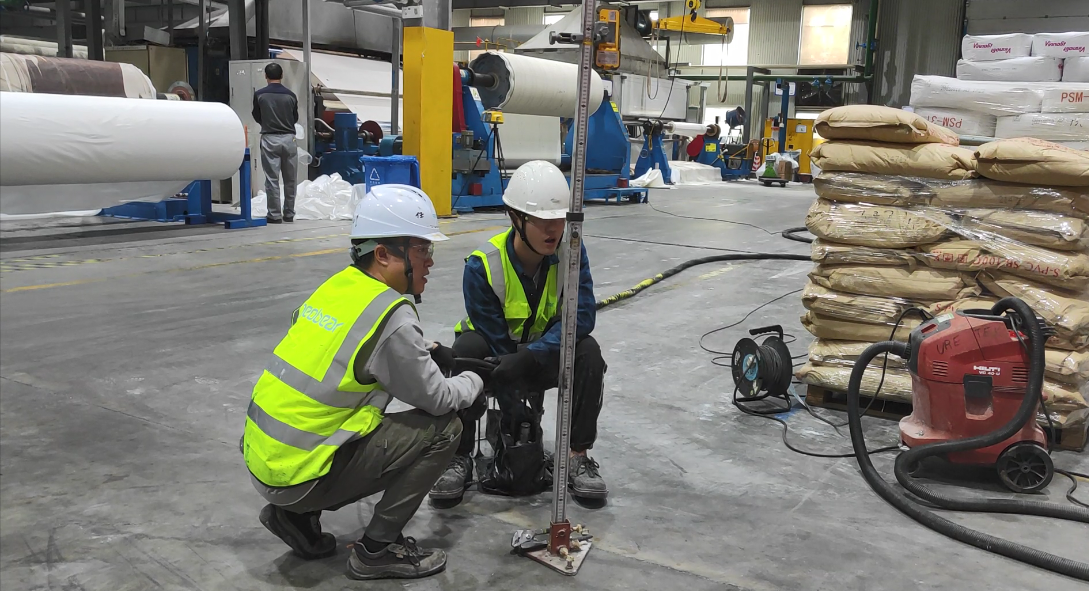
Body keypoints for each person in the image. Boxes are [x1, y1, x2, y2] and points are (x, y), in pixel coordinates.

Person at [242, 184, 484, 580]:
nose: (430, 262)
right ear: (384, 254)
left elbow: (343, 346)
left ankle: (295, 519)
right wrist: (473, 381)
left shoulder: (336, 288)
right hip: (301, 475)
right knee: (444, 429)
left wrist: (425, 345)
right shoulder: (393, 315)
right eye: (422, 250)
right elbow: (438, 398)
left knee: (338, 417)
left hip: (266, 460)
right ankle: (377, 550)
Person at [429, 160, 608, 503]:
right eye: (542, 221)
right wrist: (516, 413)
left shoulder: (571, 251)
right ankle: (459, 456)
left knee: (587, 351)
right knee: (465, 350)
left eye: (559, 220)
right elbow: (495, 338)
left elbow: (581, 316)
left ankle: (576, 457)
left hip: (538, 355)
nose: (553, 230)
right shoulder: (483, 265)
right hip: (497, 358)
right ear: (516, 218)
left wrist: (533, 354)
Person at [252, 62, 299, 224]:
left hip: (269, 138)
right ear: (282, 76)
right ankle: (289, 214)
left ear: (266, 76)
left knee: (272, 179)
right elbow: (295, 118)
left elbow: (257, 116)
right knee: (290, 179)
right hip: (289, 139)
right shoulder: (291, 95)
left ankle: (274, 215)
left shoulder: (259, 95)